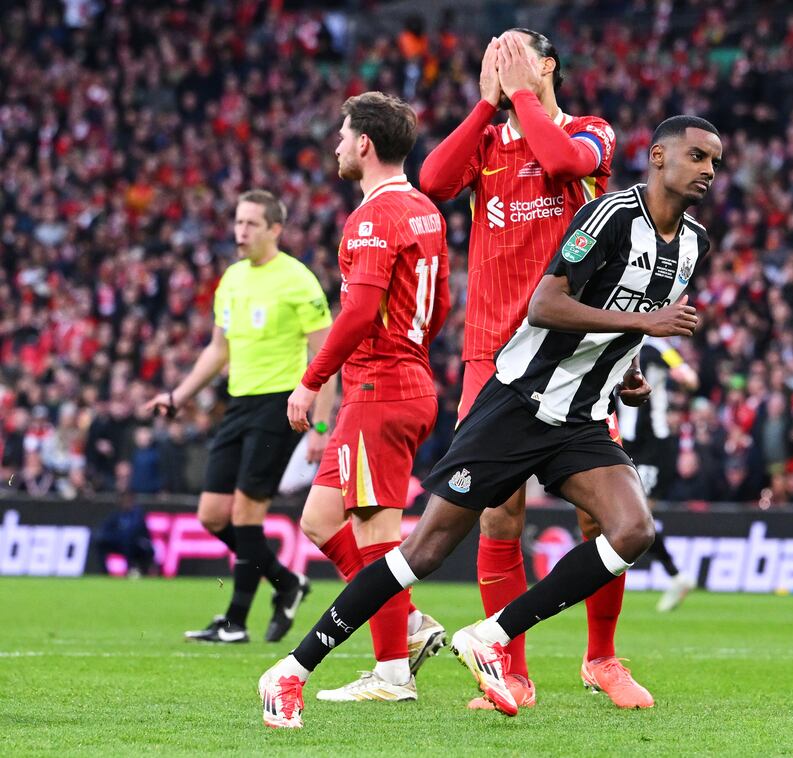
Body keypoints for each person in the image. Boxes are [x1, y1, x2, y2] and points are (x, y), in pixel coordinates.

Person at [257, 115, 721, 727]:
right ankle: (290, 671)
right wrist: (644, 326)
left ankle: (492, 636)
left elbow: (624, 308)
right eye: (697, 156)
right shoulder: (608, 215)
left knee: (633, 530)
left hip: (580, 416)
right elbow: (546, 304)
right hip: (518, 403)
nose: (708, 171)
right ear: (658, 157)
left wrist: (626, 367)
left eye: (715, 162)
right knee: (423, 550)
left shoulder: (693, 244)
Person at [418, 28, 636, 710]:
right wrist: (489, 103)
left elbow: (564, 163)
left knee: (600, 518)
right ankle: (510, 672)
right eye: (491, 56)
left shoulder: (591, 132)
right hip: (490, 355)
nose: (499, 64)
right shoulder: (486, 142)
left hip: (572, 357)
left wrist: (521, 94)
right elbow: (433, 182)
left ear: (547, 66)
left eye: (511, 54)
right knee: (498, 515)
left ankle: (602, 658)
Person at [284, 92, 451, 702]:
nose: (336, 145)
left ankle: (391, 674)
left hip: (381, 388)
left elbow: (357, 312)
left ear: (364, 144)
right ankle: (406, 622)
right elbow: (441, 303)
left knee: (376, 531)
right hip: (399, 381)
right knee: (319, 519)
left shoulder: (374, 217)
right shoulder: (425, 210)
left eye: (342, 134)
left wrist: (310, 380)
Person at [144, 190, 336, 643]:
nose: (240, 232)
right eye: (237, 222)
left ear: (275, 229)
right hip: (239, 403)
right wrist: (177, 396)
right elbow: (218, 349)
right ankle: (287, 583)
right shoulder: (231, 279)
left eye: (251, 223)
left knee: (248, 512)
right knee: (212, 515)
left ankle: (235, 622)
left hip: (279, 405)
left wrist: (321, 427)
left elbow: (327, 359)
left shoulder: (298, 280)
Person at [616, 338, 699, 612]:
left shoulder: (657, 347)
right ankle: (677, 575)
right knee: (623, 516)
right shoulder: (614, 338)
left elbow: (690, 378)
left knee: (637, 516)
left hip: (654, 444)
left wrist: (683, 376)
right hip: (624, 441)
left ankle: (676, 574)